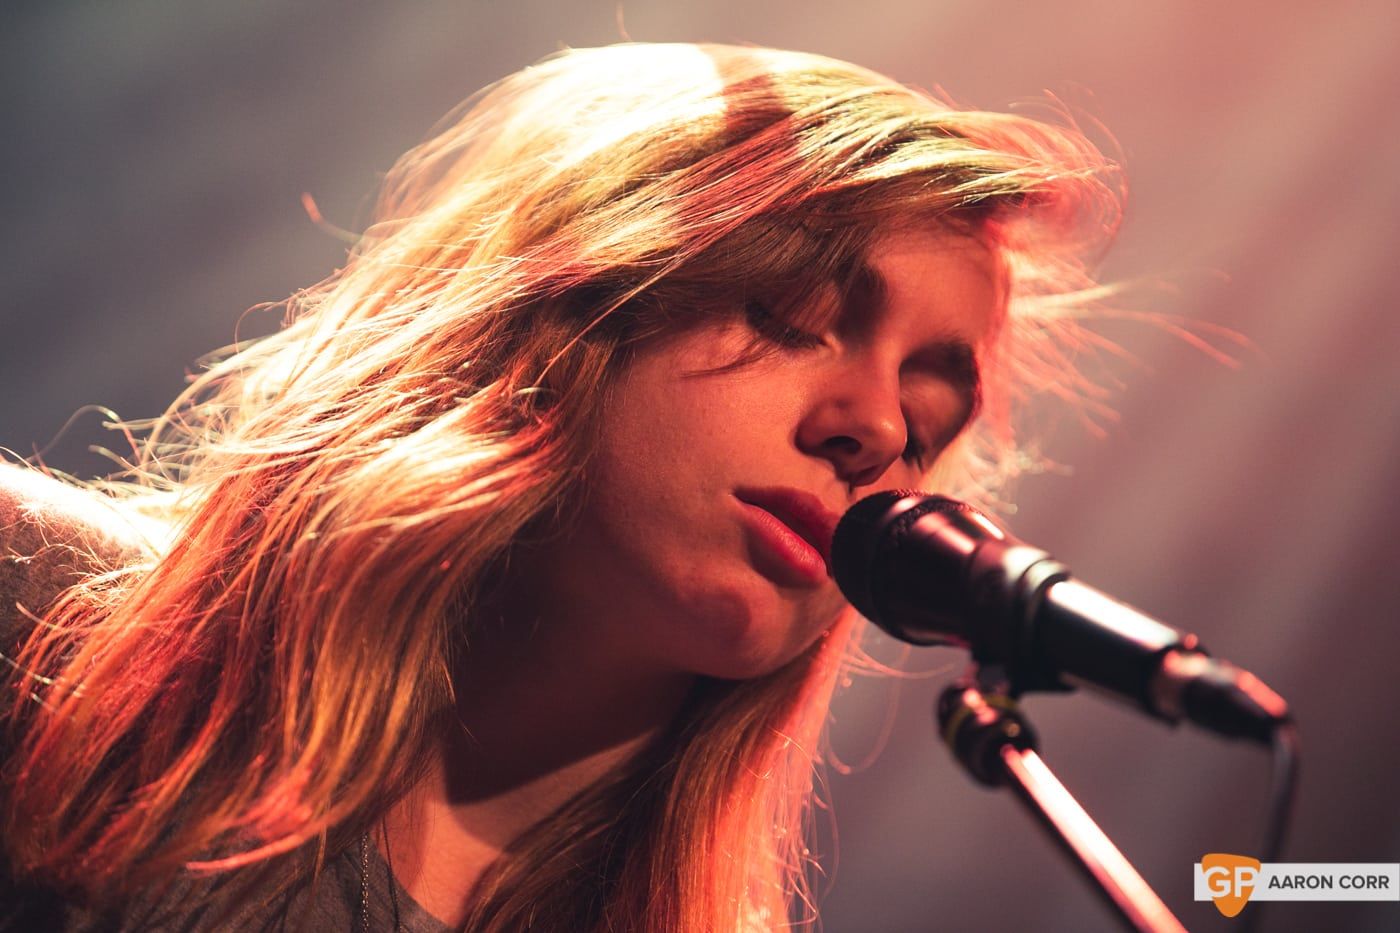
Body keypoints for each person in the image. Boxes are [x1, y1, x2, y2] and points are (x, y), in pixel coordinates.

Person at [0, 42, 1120, 932]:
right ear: (553, 310)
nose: (873, 427)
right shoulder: (41, 617)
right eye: (788, 315)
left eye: (924, 426)